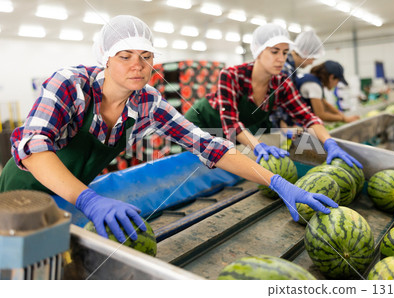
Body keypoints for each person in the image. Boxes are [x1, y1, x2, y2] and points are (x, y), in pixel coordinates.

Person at [0, 15, 340, 243]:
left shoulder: (148, 102)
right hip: (20, 193)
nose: (138, 65)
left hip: (71, 193)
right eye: (125, 55)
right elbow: (33, 148)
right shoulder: (70, 84)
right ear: (105, 57)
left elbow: (210, 146)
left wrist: (276, 182)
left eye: (146, 56)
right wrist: (89, 199)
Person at [184, 23, 361, 166]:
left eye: (285, 53)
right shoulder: (231, 75)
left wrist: (329, 142)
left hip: (234, 131)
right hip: (204, 123)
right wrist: (258, 145)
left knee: (227, 164)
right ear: (258, 51)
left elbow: (307, 116)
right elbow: (230, 123)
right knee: (195, 168)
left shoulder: (282, 83)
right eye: (274, 51)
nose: (281, 58)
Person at [271, 30, 325, 134]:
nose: (312, 62)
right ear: (305, 53)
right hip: (276, 128)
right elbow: (276, 101)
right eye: (312, 58)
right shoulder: (285, 69)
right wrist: (284, 127)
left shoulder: (291, 69)